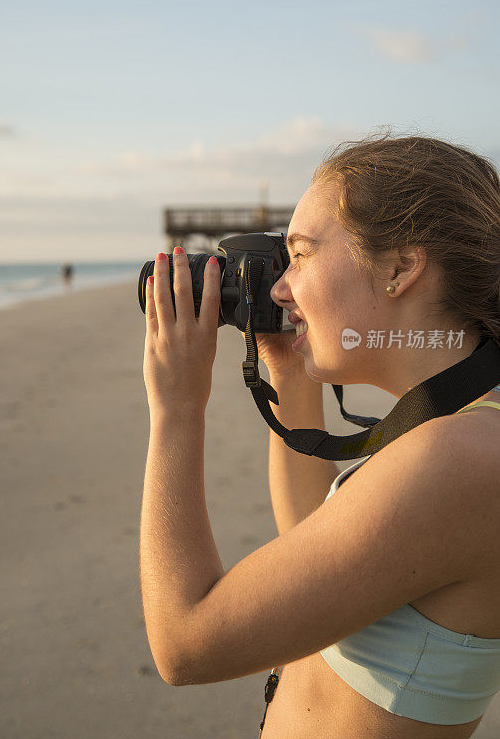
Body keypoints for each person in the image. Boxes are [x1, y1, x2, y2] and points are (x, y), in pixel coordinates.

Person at [140, 131, 500, 739]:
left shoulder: (460, 456)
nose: (281, 288)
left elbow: (186, 643)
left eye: (301, 255)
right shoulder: (459, 428)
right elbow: (323, 551)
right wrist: (288, 371)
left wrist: (177, 410)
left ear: (400, 268)